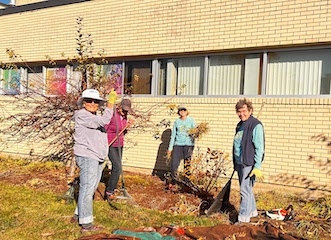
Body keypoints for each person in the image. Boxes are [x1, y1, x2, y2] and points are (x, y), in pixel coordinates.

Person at [71, 88, 117, 233]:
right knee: (87, 187)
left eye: (95, 101)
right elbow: (104, 120)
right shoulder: (82, 115)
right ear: (83, 102)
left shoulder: (93, 116)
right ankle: (86, 224)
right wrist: (111, 104)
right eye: (89, 101)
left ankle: (78, 214)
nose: (92, 103)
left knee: (90, 187)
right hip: (87, 156)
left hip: (97, 156)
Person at [233, 98, 265, 223]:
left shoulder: (255, 125)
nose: (242, 114)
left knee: (244, 191)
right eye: (239, 112)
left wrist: (257, 166)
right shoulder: (240, 125)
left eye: (244, 111)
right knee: (248, 189)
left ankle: (243, 219)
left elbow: (259, 147)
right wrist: (236, 162)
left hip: (249, 163)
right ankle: (252, 213)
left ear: (250, 110)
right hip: (240, 162)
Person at [105, 97, 133, 201]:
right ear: (119, 107)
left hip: (120, 144)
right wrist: (104, 142)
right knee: (117, 167)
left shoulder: (124, 117)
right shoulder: (112, 114)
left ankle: (111, 188)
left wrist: (127, 127)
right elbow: (104, 128)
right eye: (123, 110)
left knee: (118, 167)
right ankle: (109, 192)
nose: (125, 112)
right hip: (110, 144)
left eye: (127, 111)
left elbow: (122, 132)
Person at [167, 105, 195, 190]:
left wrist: (192, 144)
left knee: (187, 164)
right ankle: (173, 181)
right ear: (178, 112)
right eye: (180, 110)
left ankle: (187, 182)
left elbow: (195, 133)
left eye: (184, 110)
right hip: (178, 144)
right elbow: (173, 135)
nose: (182, 112)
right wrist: (170, 148)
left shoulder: (191, 120)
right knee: (174, 164)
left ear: (187, 111)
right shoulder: (177, 122)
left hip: (188, 144)